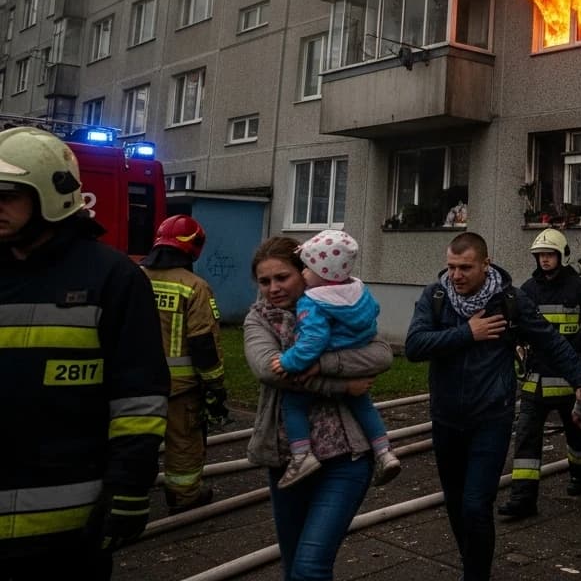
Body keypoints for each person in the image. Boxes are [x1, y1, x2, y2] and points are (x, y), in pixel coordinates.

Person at [0, 127, 168, 579]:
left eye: (8, 196)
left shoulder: (112, 277)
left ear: (51, 197)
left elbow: (138, 399)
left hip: (66, 529)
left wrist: (130, 486)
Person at [406, 232, 581, 581]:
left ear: (485, 264)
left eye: (465, 267)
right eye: (451, 267)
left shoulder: (510, 300)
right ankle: (472, 565)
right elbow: (414, 346)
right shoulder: (435, 296)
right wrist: (468, 332)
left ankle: (476, 575)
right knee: (455, 503)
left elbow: (549, 340)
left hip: (490, 418)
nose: (456, 275)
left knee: (476, 505)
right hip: (446, 419)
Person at [244, 236, 394, 581]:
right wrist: (343, 386)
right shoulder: (259, 319)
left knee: (311, 567)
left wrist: (322, 364)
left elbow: (381, 355)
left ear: (305, 272)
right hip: (288, 459)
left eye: (282, 277)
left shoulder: (335, 304)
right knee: (294, 565)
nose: (273, 288)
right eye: (265, 281)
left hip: (346, 457)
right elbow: (269, 370)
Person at [273, 230, 401, 489]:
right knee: (363, 405)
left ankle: (301, 455)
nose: (303, 273)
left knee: (293, 403)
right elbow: (373, 313)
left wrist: (289, 361)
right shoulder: (357, 290)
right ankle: (384, 451)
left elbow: (313, 339)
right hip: (357, 353)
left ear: (323, 273)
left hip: (327, 353)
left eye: (307, 268)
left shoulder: (313, 301)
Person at [500, 228, 581, 519]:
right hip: (536, 379)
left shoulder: (580, 289)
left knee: (578, 436)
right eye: (540, 255)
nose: (544, 260)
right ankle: (523, 499)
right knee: (526, 439)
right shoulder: (528, 289)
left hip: (569, 379)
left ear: (561, 255)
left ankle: (580, 473)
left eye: (549, 255)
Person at [141, 214, 228, 513]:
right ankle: (184, 497)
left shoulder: (133, 277)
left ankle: (131, 494)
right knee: (184, 442)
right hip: (180, 388)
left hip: (133, 384)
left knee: (135, 439)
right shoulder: (194, 286)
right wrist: (215, 385)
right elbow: (204, 342)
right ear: (195, 246)